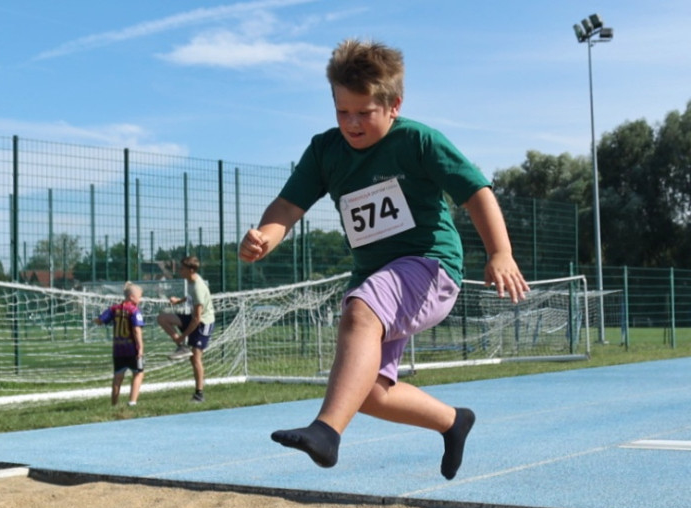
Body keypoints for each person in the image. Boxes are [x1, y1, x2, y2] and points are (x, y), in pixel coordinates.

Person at [238, 38, 529, 480]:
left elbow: (476, 193)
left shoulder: (417, 141)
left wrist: (500, 253)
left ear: (394, 105)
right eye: (342, 112)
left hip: (430, 265)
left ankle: (326, 432)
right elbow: (287, 207)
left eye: (364, 113)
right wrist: (266, 236)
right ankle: (453, 422)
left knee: (359, 311)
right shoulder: (325, 151)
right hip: (378, 275)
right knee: (367, 391)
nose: (351, 124)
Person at [157, 256, 215, 402]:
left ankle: (199, 394)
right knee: (162, 318)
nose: (180, 271)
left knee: (195, 358)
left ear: (191, 270)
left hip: (203, 323)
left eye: (182, 268)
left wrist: (182, 337)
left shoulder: (198, 287)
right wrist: (178, 301)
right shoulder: (190, 281)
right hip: (193, 317)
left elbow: (196, 318)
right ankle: (181, 347)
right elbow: (190, 297)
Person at [94, 282, 145, 407]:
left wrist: (96, 320)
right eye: (140, 296)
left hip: (118, 349)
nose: (140, 299)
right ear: (132, 297)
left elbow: (100, 321)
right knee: (138, 373)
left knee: (118, 377)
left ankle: (114, 404)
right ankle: (132, 402)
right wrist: (140, 348)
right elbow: (136, 330)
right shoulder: (134, 310)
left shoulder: (114, 309)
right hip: (132, 348)